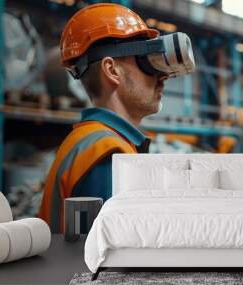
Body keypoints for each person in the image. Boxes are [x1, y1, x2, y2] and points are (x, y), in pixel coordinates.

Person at [39, 3, 195, 232]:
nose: (162, 77)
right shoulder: (108, 153)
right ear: (112, 71)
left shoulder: (96, 141)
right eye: (146, 62)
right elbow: (109, 257)